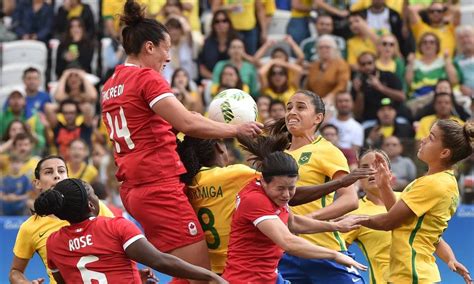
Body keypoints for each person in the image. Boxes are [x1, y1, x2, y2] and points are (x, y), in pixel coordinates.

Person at [100, 1, 262, 282]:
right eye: (167, 49)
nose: (169, 58)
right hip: (158, 186)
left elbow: (146, 128)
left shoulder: (110, 84)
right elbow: (186, 123)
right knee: (203, 276)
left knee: (184, 274)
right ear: (149, 47)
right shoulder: (146, 78)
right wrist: (235, 130)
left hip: (135, 187)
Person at [222, 135, 368, 282]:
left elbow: (293, 223)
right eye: (280, 188)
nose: (286, 195)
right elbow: (288, 242)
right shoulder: (255, 199)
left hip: (269, 277)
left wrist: (335, 226)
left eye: (291, 188)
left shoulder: (274, 195)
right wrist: (334, 255)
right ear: (263, 181)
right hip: (246, 279)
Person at [33, 178, 227, 283]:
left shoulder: (53, 243)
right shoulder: (115, 226)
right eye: (93, 194)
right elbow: (160, 261)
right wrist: (208, 275)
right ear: (91, 205)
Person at [354, 119, 473, 283]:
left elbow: (388, 222)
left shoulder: (433, 184)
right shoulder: (436, 181)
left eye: (431, 137)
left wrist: (352, 219)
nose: (423, 139)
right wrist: (384, 186)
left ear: (444, 153)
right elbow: (397, 216)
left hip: (413, 275)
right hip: (411, 274)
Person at [268, 90, 365, 283]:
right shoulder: (277, 156)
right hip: (287, 252)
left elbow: (350, 199)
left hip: (324, 250)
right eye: (289, 108)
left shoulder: (327, 150)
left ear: (318, 118)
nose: (292, 112)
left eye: (300, 107)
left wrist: (307, 220)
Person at [8, 156, 114, 284]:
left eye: (61, 171)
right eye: (48, 172)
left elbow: (120, 239)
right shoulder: (29, 227)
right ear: (37, 183)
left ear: (68, 178)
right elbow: (15, 271)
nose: (57, 176)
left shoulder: (92, 206)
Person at [343, 149, 397, 284]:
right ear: (359, 179)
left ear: (389, 173)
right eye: (365, 168)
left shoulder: (409, 198)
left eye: (378, 165)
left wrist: (450, 259)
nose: (372, 171)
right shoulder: (354, 212)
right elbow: (336, 250)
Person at [352, 52, 408, 123]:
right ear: (359, 66)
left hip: (396, 118)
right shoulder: (358, 83)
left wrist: (380, 87)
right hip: (371, 120)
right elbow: (357, 114)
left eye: (369, 63)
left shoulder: (389, 75)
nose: (367, 67)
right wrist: (359, 92)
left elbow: (402, 97)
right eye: (363, 64)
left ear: (375, 62)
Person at [405, 33, 458, 98]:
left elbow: (454, 81)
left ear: (437, 46)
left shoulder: (444, 61)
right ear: (420, 46)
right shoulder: (414, 62)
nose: (428, 45)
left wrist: (447, 61)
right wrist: (410, 64)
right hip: (419, 97)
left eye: (432, 42)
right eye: (424, 42)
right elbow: (408, 83)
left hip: (440, 96)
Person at [305, 35, 350, 106]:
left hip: (334, 102)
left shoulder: (341, 64)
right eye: (321, 47)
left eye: (327, 47)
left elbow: (342, 85)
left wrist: (330, 96)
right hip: (315, 102)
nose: (324, 50)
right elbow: (308, 87)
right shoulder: (313, 66)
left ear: (334, 49)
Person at [198, 10, 239, 80]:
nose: (221, 24)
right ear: (213, 25)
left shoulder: (236, 40)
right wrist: (215, 79)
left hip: (234, 80)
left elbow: (242, 62)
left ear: (229, 23)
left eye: (224, 21)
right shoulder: (208, 42)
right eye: (217, 22)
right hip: (211, 79)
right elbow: (201, 66)